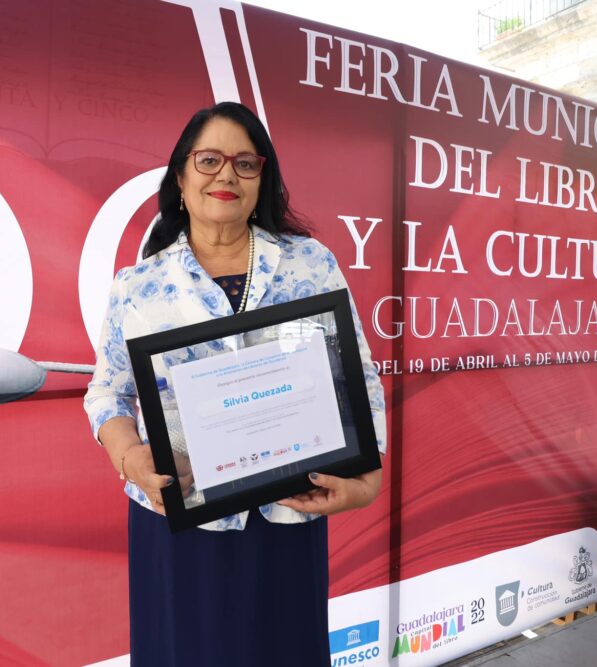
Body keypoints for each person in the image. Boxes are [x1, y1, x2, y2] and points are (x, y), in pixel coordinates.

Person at [84, 101, 387, 666]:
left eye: (245, 163)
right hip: (179, 522)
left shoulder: (309, 263)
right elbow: (107, 392)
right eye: (209, 160)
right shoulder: (139, 283)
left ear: (262, 179)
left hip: (288, 511)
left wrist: (367, 479)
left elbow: (358, 375)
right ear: (180, 178)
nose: (226, 174)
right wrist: (130, 458)